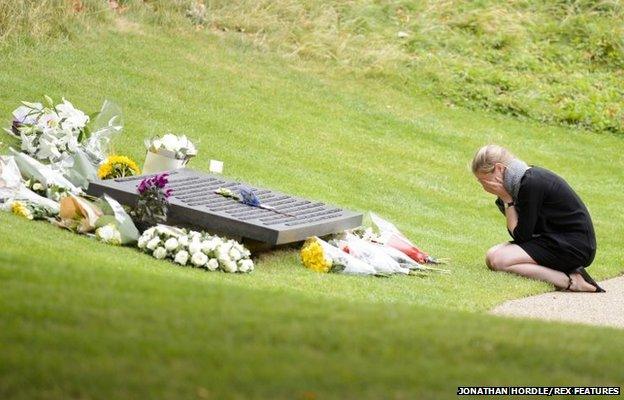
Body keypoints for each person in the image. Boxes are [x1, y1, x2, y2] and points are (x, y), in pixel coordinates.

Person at [472, 144, 605, 292]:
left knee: (499, 260)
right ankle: (571, 274)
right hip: (552, 239)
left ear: (499, 169)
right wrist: (505, 199)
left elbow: (521, 236)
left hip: (574, 245)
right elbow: (521, 234)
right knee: (492, 256)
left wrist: (507, 200)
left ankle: (570, 281)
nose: (484, 186)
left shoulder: (530, 183)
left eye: (484, 180)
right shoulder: (519, 183)